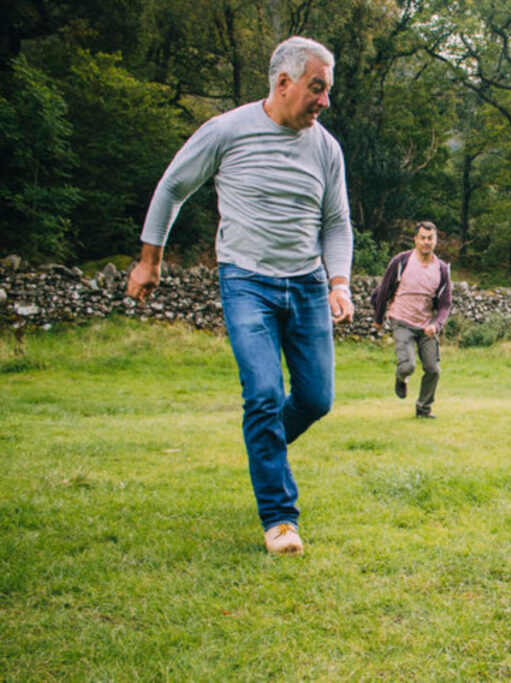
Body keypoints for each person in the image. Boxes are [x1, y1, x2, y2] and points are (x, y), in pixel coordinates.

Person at [125, 36, 353, 556]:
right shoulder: (228, 131)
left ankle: (262, 444)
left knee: (317, 399)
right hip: (246, 282)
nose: (324, 101)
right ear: (283, 83)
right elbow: (172, 188)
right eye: (317, 88)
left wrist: (339, 281)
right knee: (264, 396)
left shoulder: (326, 148)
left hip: (308, 285)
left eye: (328, 90)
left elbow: (337, 223)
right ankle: (279, 520)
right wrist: (149, 261)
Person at [370, 221, 452, 419]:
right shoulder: (401, 262)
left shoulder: (441, 269)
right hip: (401, 320)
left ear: (435, 241)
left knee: (433, 369)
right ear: (415, 239)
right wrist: (378, 318)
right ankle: (401, 377)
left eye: (430, 238)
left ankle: (423, 409)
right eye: (422, 238)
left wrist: (437, 324)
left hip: (426, 325)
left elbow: (445, 305)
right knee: (408, 365)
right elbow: (382, 290)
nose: (426, 242)